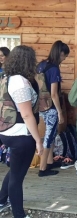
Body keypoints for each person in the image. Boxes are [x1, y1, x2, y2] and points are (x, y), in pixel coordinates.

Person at [0, 45, 43, 217]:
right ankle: (19, 214)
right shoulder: (20, 83)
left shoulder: (7, 78)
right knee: (17, 178)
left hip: (7, 131)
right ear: (28, 61)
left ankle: (2, 199)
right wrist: (38, 140)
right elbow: (26, 114)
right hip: (21, 134)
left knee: (15, 170)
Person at [37, 40, 69, 177]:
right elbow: (54, 94)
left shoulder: (41, 65)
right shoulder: (54, 69)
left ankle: (50, 162)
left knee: (50, 135)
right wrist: (60, 112)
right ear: (60, 53)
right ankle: (43, 169)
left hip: (40, 106)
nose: (64, 59)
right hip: (51, 107)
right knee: (49, 137)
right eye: (64, 56)